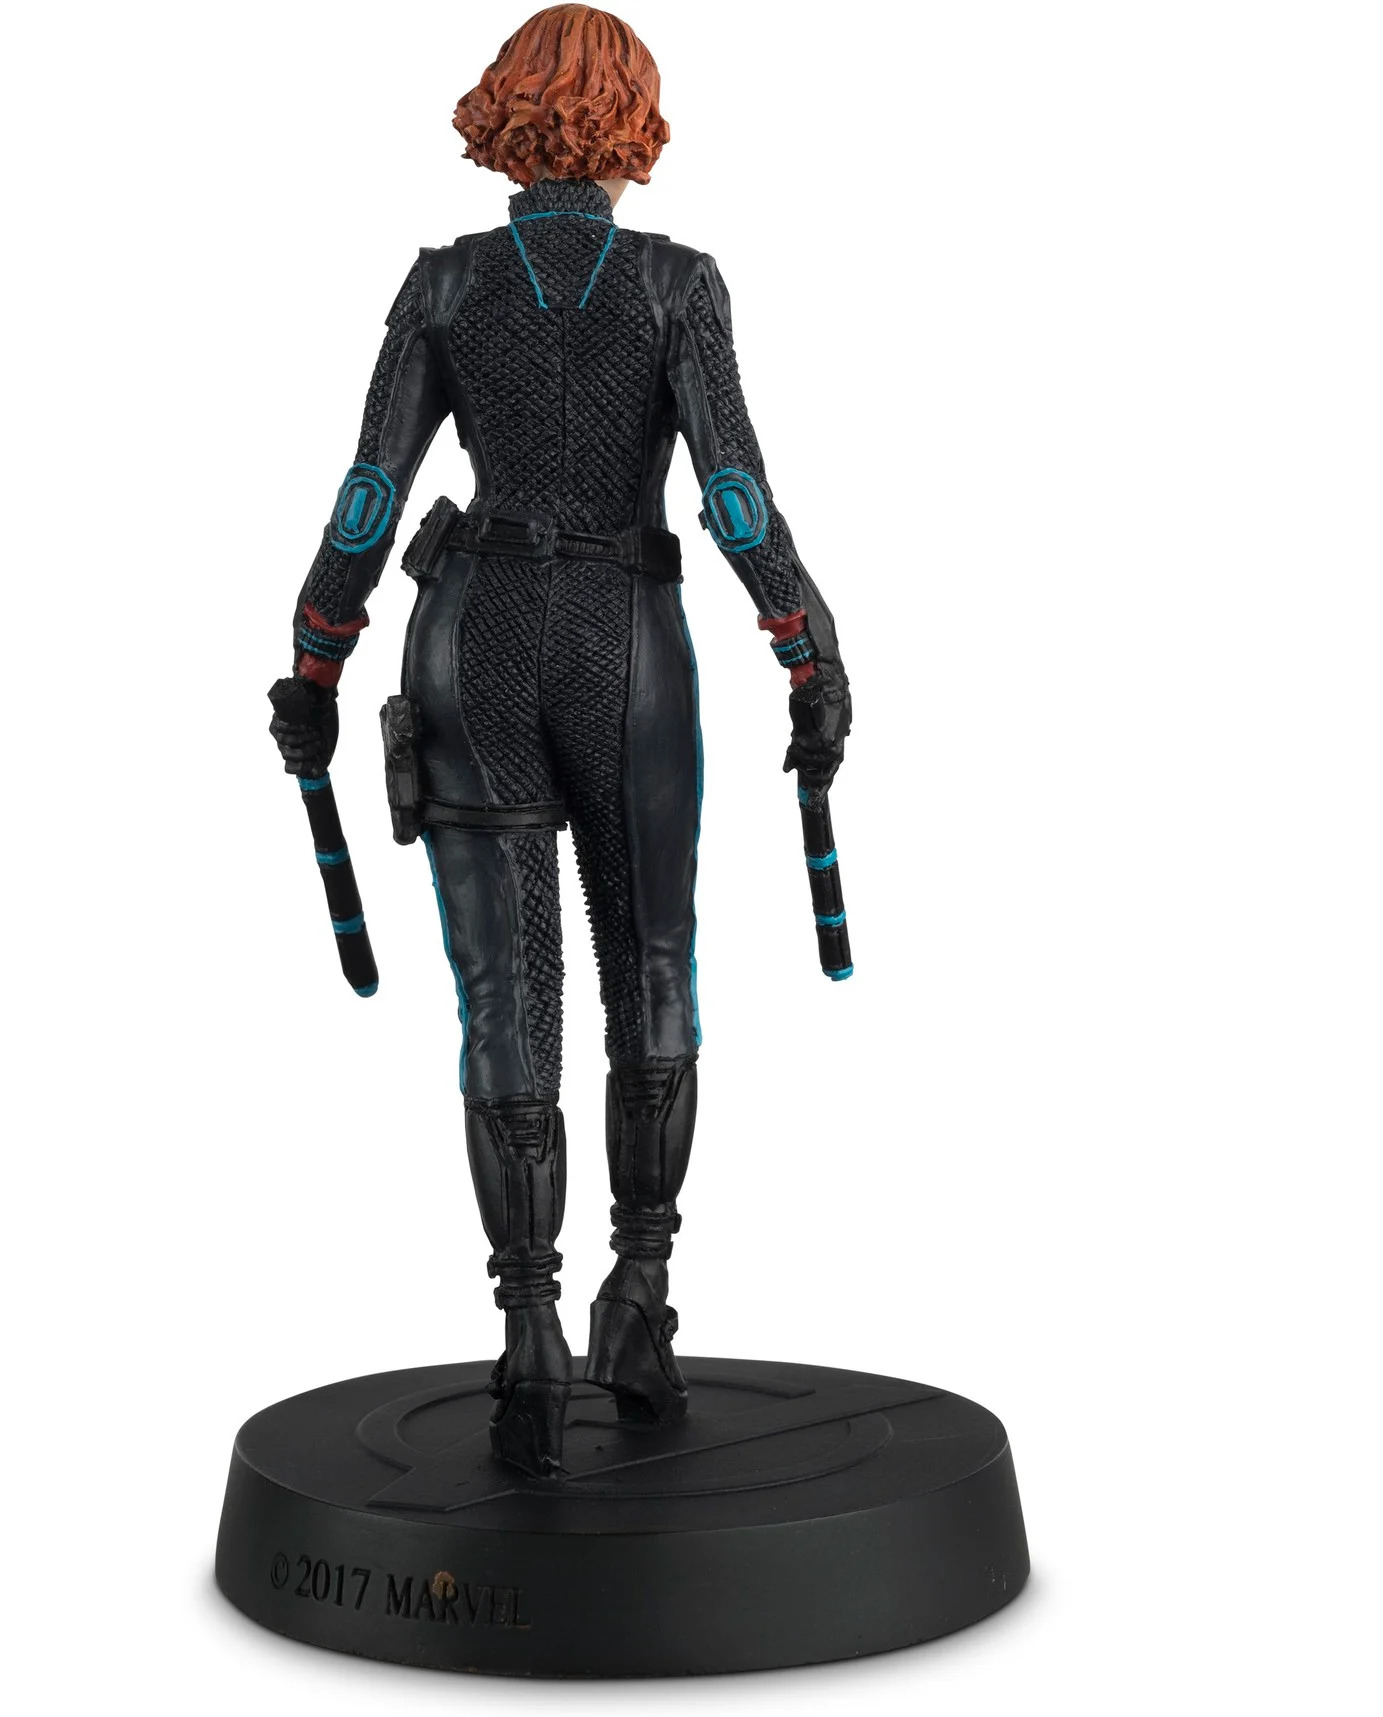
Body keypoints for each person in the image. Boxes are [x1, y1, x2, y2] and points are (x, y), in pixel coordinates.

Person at [268, 4, 850, 1476]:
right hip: (625, 638)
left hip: (469, 637)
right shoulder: (674, 284)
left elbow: (367, 492)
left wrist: (314, 655)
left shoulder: (446, 284)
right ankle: (638, 1294)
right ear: (635, 122)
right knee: (650, 959)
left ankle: (527, 1334)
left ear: (501, 114)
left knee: (503, 990)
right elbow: (732, 490)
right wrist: (806, 640)